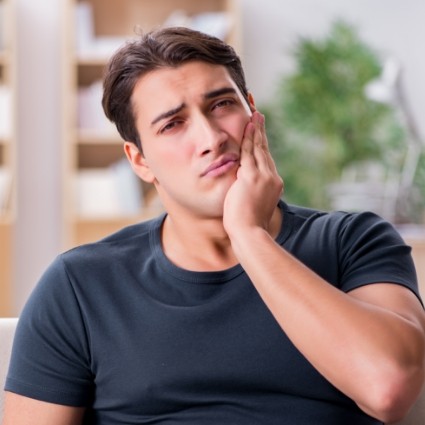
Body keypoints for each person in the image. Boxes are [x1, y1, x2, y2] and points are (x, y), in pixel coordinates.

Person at [2, 27, 425, 425]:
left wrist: (249, 235)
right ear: (139, 160)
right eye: (172, 124)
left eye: (221, 104)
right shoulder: (79, 285)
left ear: (253, 112)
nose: (211, 137)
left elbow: (388, 386)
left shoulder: (353, 242)